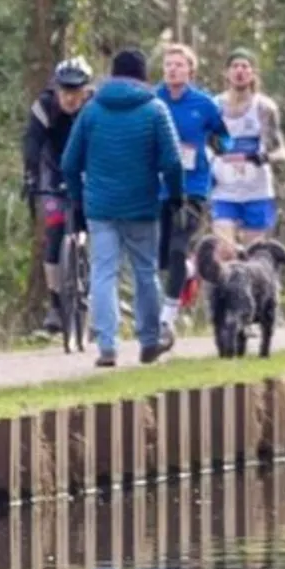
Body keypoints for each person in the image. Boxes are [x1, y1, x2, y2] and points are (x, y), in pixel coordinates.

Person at [60, 47, 185, 368]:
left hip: (100, 207)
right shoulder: (155, 110)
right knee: (145, 272)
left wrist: (78, 197)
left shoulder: (91, 111)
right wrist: (175, 196)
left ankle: (107, 345)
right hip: (142, 205)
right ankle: (149, 340)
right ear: (143, 77)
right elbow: (172, 162)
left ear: (112, 75)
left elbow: (69, 162)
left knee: (103, 272)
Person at [154, 44, 226, 347]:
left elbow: (224, 136)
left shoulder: (204, 104)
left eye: (179, 65)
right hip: (159, 187)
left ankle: (166, 320)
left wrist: (216, 147)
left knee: (177, 247)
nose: (173, 69)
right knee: (161, 257)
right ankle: (190, 270)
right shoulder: (153, 100)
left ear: (190, 71)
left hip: (192, 188)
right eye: (168, 65)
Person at [23, 57, 95, 335]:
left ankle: (95, 296)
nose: (69, 97)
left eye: (76, 91)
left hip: (89, 171)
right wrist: (30, 177)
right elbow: (32, 143)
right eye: (64, 90)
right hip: (53, 171)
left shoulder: (95, 107)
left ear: (86, 90)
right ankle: (55, 304)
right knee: (53, 234)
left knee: (96, 229)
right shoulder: (44, 106)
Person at [210, 49, 285, 252]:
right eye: (235, 66)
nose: (240, 71)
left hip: (256, 191)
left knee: (254, 254)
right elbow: (206, 145)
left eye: (245, 67)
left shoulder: (264, 108)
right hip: (224, 191)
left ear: (253, 73)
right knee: (225, 250)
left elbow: (281, 151)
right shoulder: (214, 107)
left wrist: (263, 157)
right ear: (226, 73)